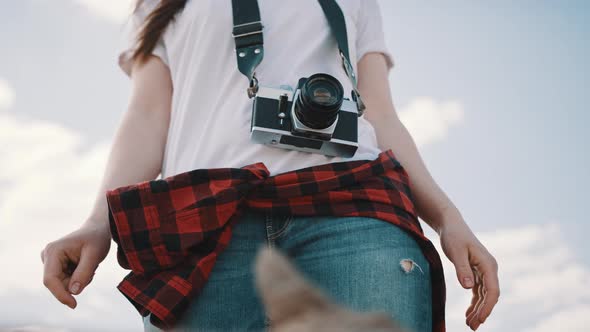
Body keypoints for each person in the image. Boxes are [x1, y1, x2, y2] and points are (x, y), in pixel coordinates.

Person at [40, 0, 500, 331]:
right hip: (207, 223)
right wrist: (99, 223)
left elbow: (379, 113)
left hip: (353, 208)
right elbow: (147, 115)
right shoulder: (159, 4)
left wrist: (447, 218)